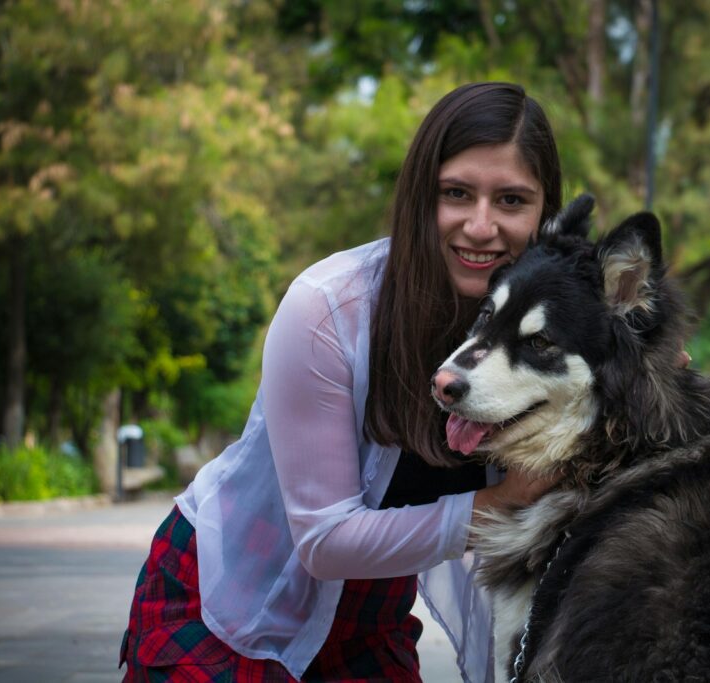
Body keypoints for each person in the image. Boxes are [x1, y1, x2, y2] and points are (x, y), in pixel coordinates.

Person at [120, 81, 565, 683]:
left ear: (545, 213)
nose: (481, 226)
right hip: (230, 599)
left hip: (367, 619)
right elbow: (324, 541)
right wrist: (496, 505)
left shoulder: (551, 340)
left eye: (512, 200)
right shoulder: (330, 308)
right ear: (418, 197)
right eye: (456, 194)